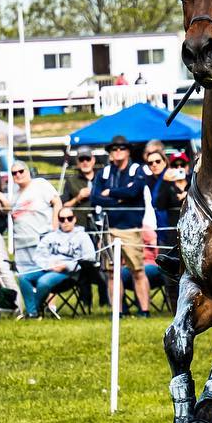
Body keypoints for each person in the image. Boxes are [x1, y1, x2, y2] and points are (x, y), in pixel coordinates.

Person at [90, 134, 152, 316]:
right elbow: (95, 197)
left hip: (131, 228)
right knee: (111, 272)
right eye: (114, 149)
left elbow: (134, 191)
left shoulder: (137, 169)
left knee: (138, 270)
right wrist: (118, 200)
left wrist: (111, 193)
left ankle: (145, 310)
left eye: (121, 148)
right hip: (109, 227)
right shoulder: (104, 173)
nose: (117, 152)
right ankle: (117, 311)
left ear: (128, 151)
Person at [16, 208, 97, 317]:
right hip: (48, 268)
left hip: (69, 273)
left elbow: (90, 257)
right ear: (58, 220)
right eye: (62, 219)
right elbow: (38, 256)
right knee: (23, 277)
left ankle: (32, 312)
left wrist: (66, 266)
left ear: (74, 219)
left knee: (43, 282)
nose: (66, 222)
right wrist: (50, 265)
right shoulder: (50, 236)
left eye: (69, 218)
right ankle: (32, 312)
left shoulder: (83, 236)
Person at [8, 160, 60, 274]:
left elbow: (57, 202)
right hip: (21, 243)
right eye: (14, 173)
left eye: (21, 171)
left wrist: (54, 226)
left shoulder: (40, 184)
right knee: (24, 277)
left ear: (27, 171)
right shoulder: (14, 195)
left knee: (45, 275)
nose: (18, 174)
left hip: (41, 240)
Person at [61, 146, 99, 212]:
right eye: (81, 159)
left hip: (102, 219)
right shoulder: (71, 181)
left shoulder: (102, 178)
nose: (85, 162)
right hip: (79, 221)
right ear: (77, 162)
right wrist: (78, 198)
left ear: (93, 160)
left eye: (88, 159)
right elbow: (63, 205)